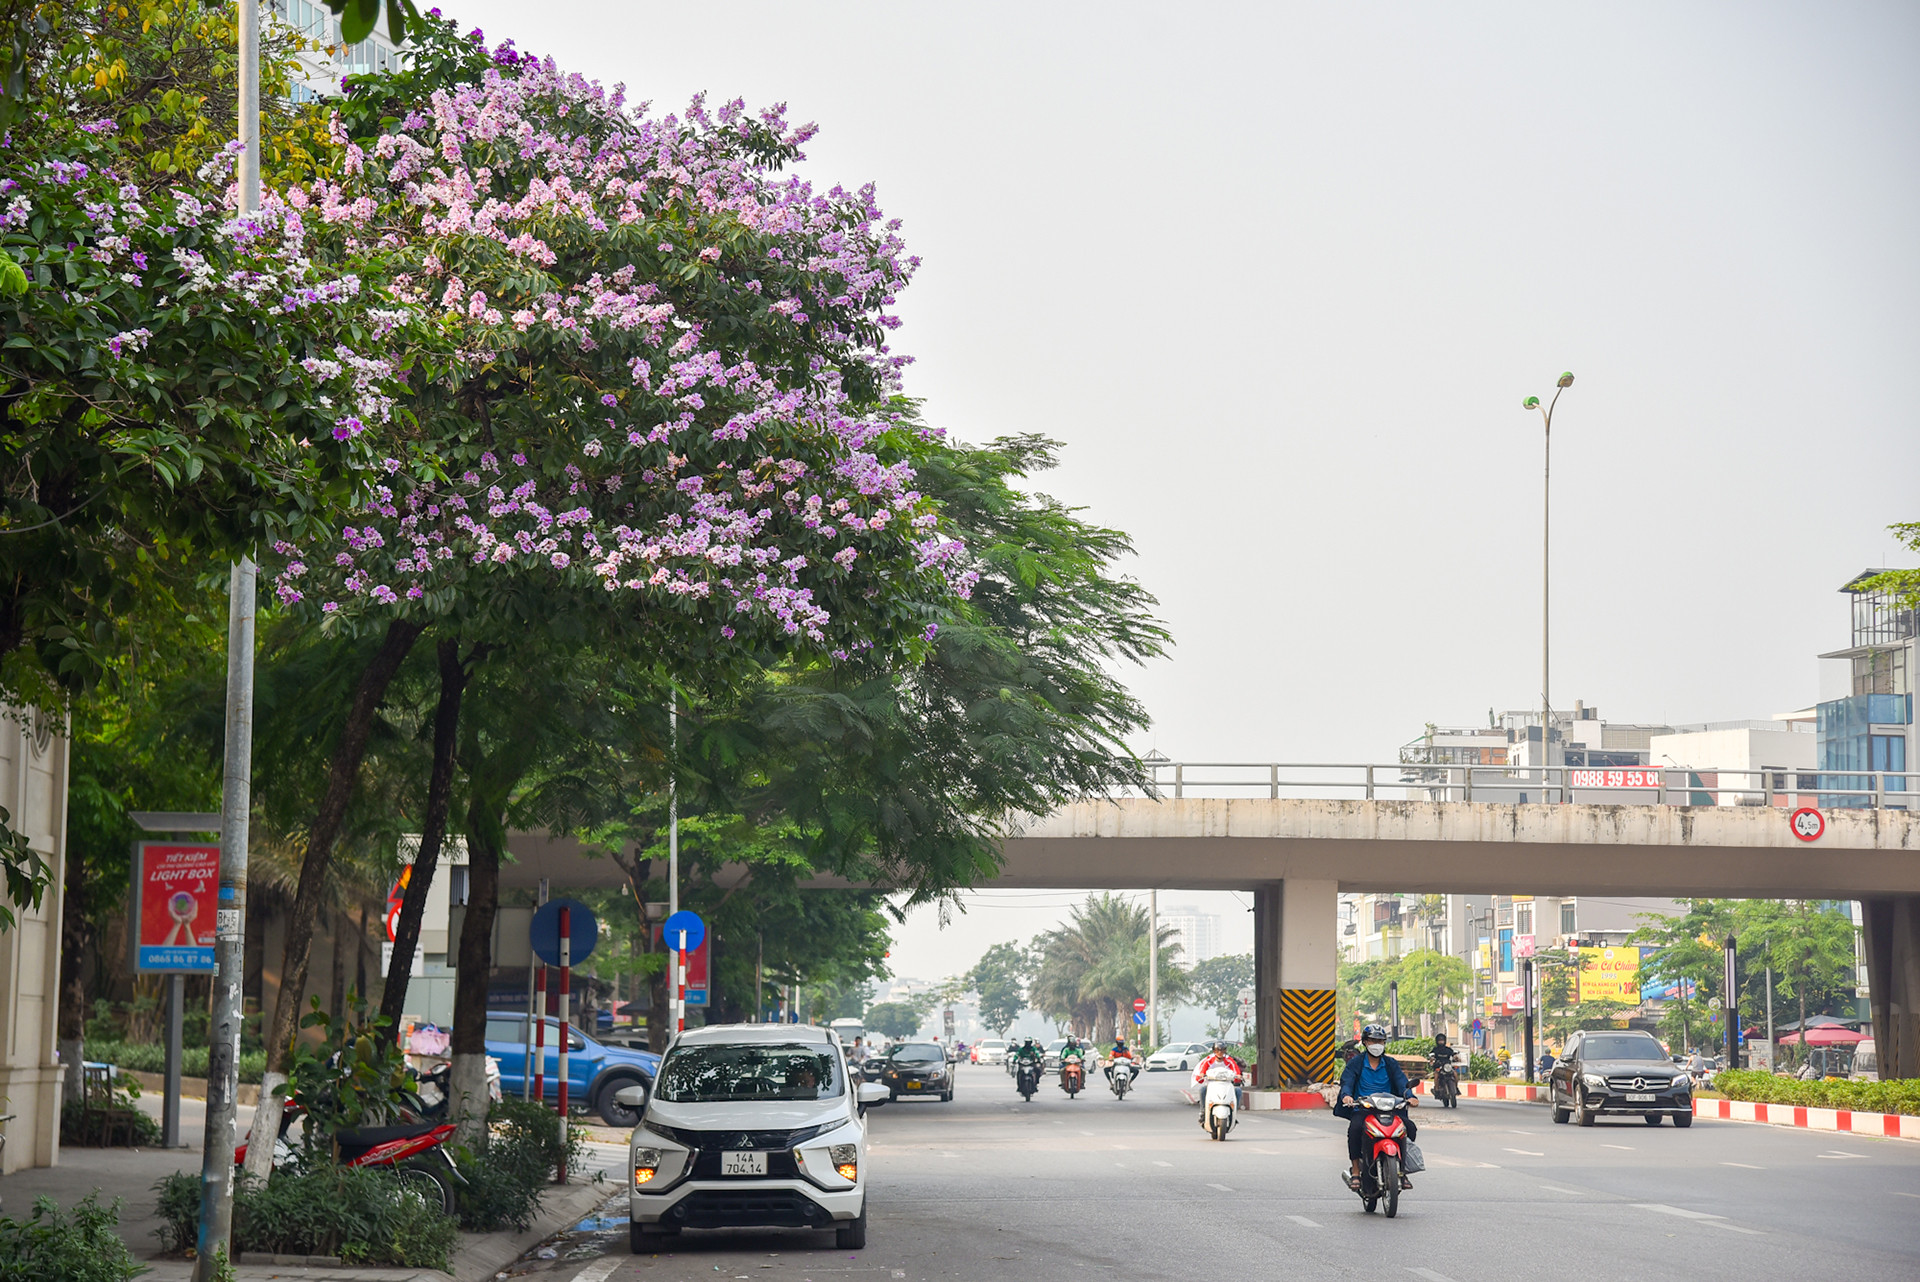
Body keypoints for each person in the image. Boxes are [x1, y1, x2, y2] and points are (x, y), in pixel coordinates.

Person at [1337, 1024, 1417, 1190]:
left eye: (1380, 1041)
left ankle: (1402, 1171)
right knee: (1354, 1130)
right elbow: (1347, 1082)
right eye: (1373, 1040)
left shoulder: (1390, 1064)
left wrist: (1410, 1097)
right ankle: (1356, 1172)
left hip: (1389, 1108)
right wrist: (1346, 1096)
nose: (1377, 1044)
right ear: (1365, 1042)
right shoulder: (1356, 1063)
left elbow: (1402, 1082)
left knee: (1409, 1128)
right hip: (1364, 1109)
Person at [1190, 1040, 1244, 1126]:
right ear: (1214, 1051)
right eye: (1217, 1050)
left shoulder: (1229, 1060)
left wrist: (1238, 1076)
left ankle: (1234, 1113)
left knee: (1238, 1091)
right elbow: (1202, 1072)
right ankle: (1203, 1112)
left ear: (1225, 1051)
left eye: (1222, 1050)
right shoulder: (1208, 1060)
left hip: (1226, 1085)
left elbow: (1236, 1071)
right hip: (1212, 1085)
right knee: (1203, 1090)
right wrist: (1201, 1076)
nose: (1220, 1052)